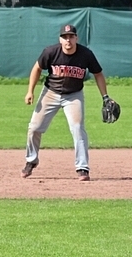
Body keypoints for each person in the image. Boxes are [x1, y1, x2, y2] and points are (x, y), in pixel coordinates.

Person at [22, 24, 110, 181]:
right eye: (65, 37)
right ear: (60, 39)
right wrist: (30, 91)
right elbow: (37, 69)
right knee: (34, 128)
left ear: (76, 38)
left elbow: (98, 74)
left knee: (77, 128)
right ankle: (31, 161)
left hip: (73, 95)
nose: (68, 40)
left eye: (71, 37)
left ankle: (82, 167)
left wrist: (105, 96)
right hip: (50, 93)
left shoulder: (86, 54)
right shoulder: (51, 52)